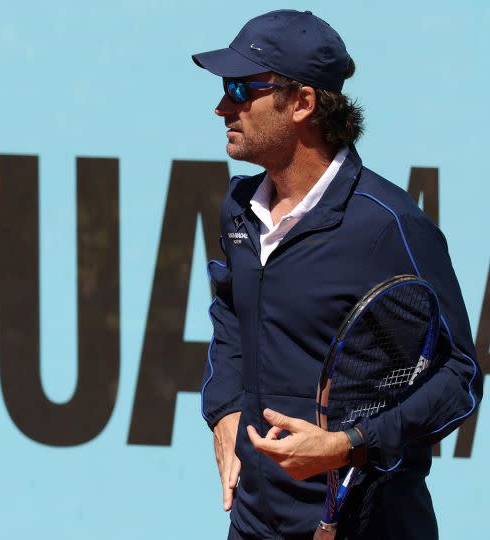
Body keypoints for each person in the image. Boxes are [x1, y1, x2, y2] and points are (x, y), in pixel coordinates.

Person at [194, 10, 482, 539]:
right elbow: (232, 312)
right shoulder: (238, 209)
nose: (221, 107)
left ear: (302, 102)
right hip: (255, 524)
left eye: (239, 88)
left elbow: (459, 379)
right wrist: (225, 409)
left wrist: (350, 443)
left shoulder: (388, 226)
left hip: (373, 526)